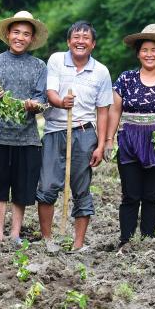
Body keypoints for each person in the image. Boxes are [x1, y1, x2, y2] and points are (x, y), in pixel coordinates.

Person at [106, 24, 155, 250]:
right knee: (130, 194)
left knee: (151, 194)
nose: (149, 54)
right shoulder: (126, 78)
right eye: (145, 50)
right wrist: (110, 139)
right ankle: (126, 240)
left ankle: (148, 239)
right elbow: (115, 110)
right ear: (138, 52)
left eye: (154, 50)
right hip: (129, 140)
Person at [37, 21, 113, 252]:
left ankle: (78, 244)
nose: (81, 41)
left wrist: (101, 144)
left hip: (83, 133)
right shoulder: (56, 60)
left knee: (81, 187)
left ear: (93, 44)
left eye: (86, 38)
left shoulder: (101, 71)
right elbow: (50, 92)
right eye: (76, 37)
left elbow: (103, 111)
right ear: (69, 41)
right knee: (48, 185)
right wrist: (60, 102)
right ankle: (47, 240)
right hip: (55, 131)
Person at [0, 11, 49, 242]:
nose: (20, 37)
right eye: (16, 32)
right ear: (8, 34)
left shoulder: (39, 66)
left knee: (22, 188)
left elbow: (41, 99)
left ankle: (15, 233)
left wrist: (34, 105)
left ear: (31, 39)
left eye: (26, 34)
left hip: (27, 137)